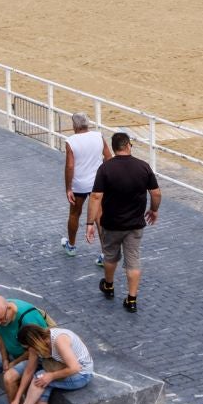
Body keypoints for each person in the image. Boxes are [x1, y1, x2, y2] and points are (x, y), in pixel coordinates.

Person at [85, 131, 161, 312]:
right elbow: (156, 193)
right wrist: (154, 209)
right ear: (128, 145)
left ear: (114, 148)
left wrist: (89, 223)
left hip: (111, 223)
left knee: (110, 256)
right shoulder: (143, 167)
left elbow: (96, 196)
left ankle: (109, 286)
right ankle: (132, 299)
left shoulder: (105, 169)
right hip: (135, 224)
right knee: (133, 261)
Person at [61, 113, 111, 261]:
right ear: (87, 124)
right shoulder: (98, 136)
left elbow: (70, 166)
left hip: (79, 184)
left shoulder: (71, 141)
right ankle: (105, 253)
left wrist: (68, 188)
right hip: (98, 183)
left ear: (75, 125)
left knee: (75, 214)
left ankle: (71, 245)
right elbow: (108, 158)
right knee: (99, 216)